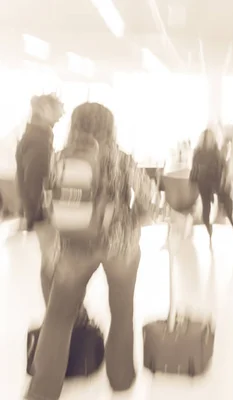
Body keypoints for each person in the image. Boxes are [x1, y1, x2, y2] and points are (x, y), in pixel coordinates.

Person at [27, 102, 154, 400]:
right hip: (121, 246)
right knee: (122, 312)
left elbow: (49, 205)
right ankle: (121, 380)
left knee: (58, 319)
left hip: (74, 247)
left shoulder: (60, 158)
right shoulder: (122, 160)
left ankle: (41, 393)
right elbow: (150, 199)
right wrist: (133, 220)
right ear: (110, 126)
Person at [16, 94, 64, 231]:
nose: (59, 118)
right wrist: (32, 217)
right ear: (45, 111)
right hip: (36, 215)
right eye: (58, 114)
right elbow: (34, 180)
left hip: (32, 212)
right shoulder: (39, 140)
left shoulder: (33, 136)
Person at [190, 128, 222, 246]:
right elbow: (194, 169)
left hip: (210, 183)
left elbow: (220, 168)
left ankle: (210, 229)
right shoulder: (201, 152)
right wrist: (192, 181)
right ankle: (209, 230)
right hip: (205, 183)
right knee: (206, 210)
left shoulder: (213, 152)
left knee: (208, 207)